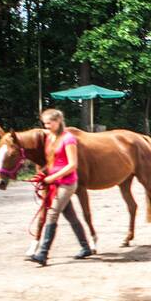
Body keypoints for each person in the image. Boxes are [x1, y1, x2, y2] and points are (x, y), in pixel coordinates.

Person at [29, 108, 93, 266]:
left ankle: (43, 253)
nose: (47, 126)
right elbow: (52, 161)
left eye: (49, 123)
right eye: (45, 124)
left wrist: (53, 177)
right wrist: (43, 174)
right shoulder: (50, 138)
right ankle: (85, 247)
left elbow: (72, 165)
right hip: (55, 182)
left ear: (58, 122)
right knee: (71, 216)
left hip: (68, 183)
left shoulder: (68, 139)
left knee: (52, 213)